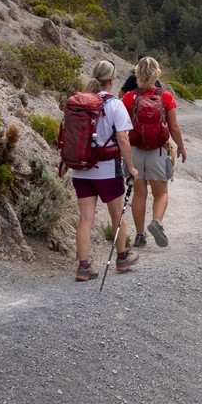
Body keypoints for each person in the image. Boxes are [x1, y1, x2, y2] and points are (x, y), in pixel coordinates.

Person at [70, 58, 139, 282]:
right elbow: (123, 139)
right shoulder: (114, 104)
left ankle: (83, 267)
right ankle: (121, 258)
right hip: (107, 170)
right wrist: (131, 168)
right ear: (111, 80)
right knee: (117, 215)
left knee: (85, 219)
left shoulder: (78, 101)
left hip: (80, 169)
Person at [124, 56, 185, 250]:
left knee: (139, 193)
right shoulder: (165, 96)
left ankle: (140, 235)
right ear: (156, 73)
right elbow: (174, 127)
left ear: (137, 74)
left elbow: (121, 127)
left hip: (134, 150)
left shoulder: (129, 97)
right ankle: (156, 222)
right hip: (158, 151)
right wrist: (181, 146)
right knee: (161, 193)